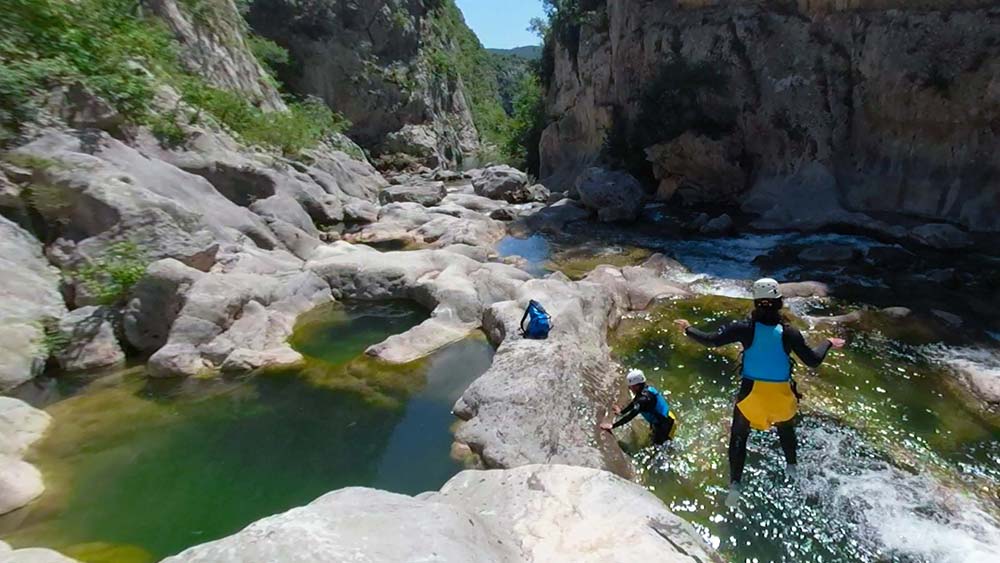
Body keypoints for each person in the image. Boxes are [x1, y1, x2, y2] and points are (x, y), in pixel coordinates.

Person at [673, 278, 845, 508]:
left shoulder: (744, 328)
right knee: (785, 429)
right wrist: (828, 342)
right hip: (781, 396)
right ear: (779, 303)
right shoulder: (789, 332)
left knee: (738, 437)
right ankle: (791, 466)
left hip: (751, 395)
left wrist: (687, 329)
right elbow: (813, 361)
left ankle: (735, 485)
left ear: (755, 303)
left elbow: (712, 340)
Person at [600, 369, 677, 452]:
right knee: (653, 440)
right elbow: (634, 402)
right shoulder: (645, 390)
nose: (630, 388)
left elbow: (631, 416)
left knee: (657, 448)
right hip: (665, 419)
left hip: (666, 425)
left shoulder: (644, 399)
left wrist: (612, 426)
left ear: (637, 386)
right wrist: (621, 412)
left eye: (631, 386)